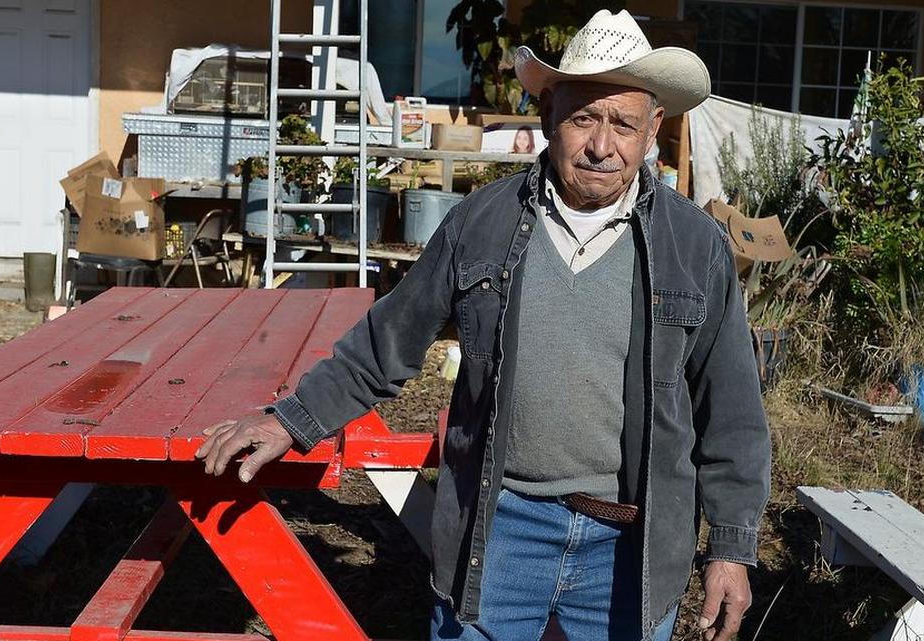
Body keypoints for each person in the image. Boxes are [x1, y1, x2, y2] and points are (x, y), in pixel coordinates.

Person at [196, 9, 770, 641]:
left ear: (652, 129)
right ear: (549, 114)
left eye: (623, 124)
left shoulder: (694, 246)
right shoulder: (482, 223)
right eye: (583, 118)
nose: (602, 146)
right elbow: (388, 343)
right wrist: (291, 419)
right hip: (500, 527)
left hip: (632, 540)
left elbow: (734, 411)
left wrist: (731, 548)